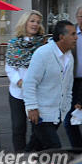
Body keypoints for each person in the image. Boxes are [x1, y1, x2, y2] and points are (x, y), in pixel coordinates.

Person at [23, 20, 79, 150]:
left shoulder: (69, 57)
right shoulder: (43, 53)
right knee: (54, 148)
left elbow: (68, 85)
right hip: (41, 113)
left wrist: (66, 107)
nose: (76, 38)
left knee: (35, 149)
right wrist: (31, 107)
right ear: (61, 37)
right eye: (72, 34)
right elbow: (30, 82)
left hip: (57, 114)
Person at [4, 10, 47, 152]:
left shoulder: (43, 44)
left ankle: (33, 155)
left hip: (37, 93)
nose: (35, 24)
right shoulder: (13, 44)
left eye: (37, 22)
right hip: (17, 93)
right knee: (18, 127)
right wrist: (20, 82)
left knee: (38, 129)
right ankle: (20, 159)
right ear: (25, 22)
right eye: (32, 21)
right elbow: (10, 67)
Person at [64, 6, 82, 148]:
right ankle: (77, 149)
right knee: (69, 119)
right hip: (71, 82)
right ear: (76, 17)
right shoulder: (70, 32)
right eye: (81, 16)